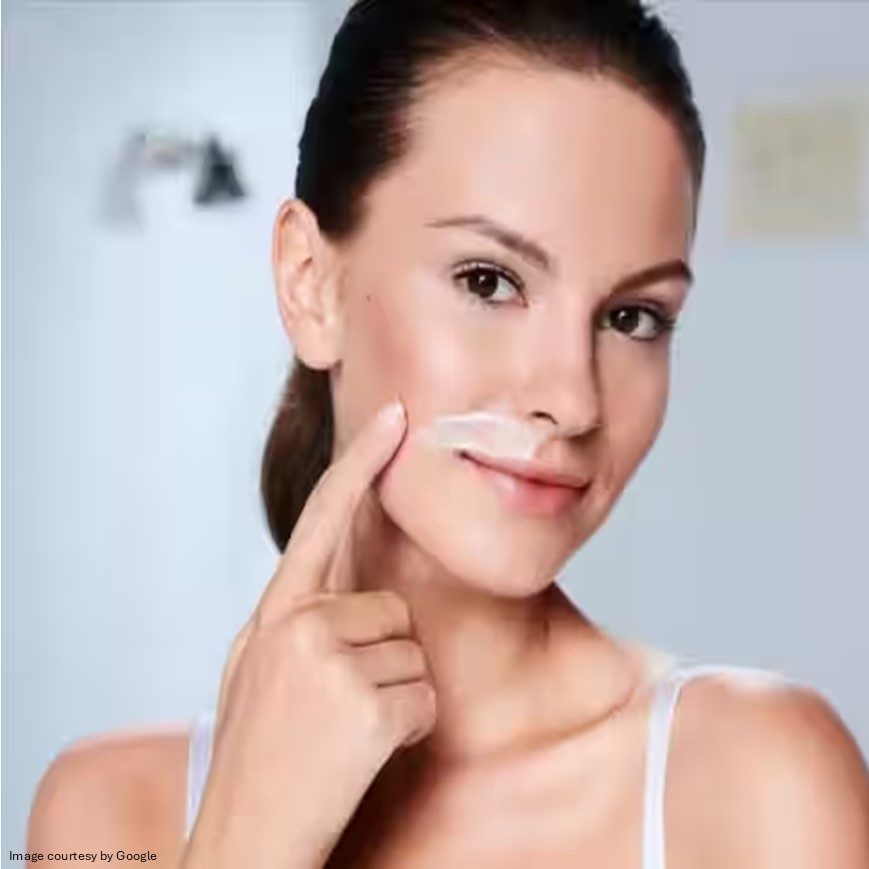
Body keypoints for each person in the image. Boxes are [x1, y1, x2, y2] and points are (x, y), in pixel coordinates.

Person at [27, 1, 869, 867]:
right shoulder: (102, 815)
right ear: (309, 283)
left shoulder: (757, 784)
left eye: (631, 315)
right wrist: (247, 839)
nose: (572, 400)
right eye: (488, 280)